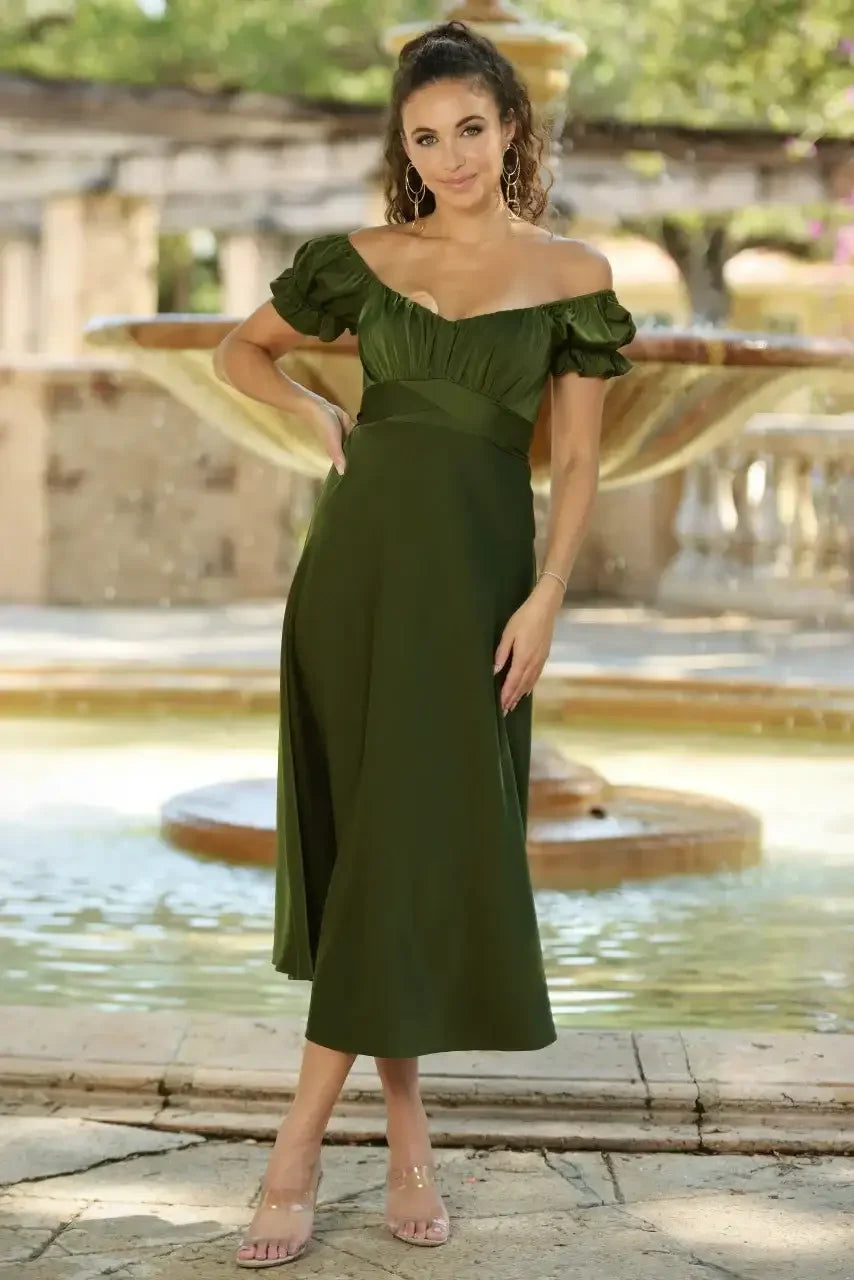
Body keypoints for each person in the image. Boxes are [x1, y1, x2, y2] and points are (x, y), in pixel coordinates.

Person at [213, 17, 636, 1271]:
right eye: (423, 137)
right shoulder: (361, 260)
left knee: (403, 841)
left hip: (474, 583)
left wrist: (546, 595)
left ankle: (295, 1147)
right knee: (371, 848)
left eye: (468, 128)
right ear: (403, 149)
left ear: (510, 128)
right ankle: (403, 1134)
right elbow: (238, 349)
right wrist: (312, 411)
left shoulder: (571, 274)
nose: (449, 155)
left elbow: (575, 461)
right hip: (352, 573)